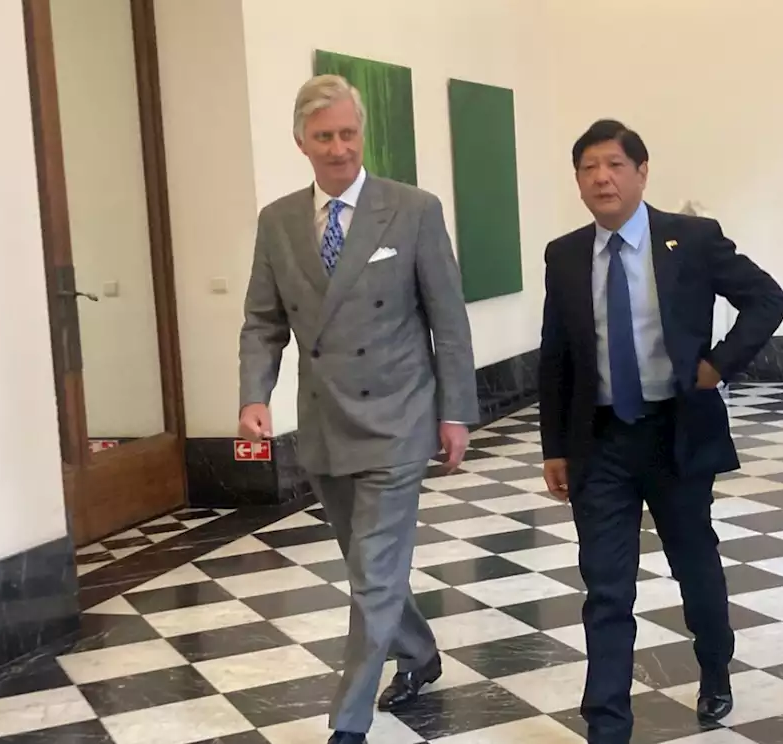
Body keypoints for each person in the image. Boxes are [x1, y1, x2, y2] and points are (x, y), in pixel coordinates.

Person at [236, 74, 478, 744]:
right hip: (324, 424)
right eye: (324, 137)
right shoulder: (279, 221)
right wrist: (254, 394)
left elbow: (448, 321)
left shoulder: (413, 210)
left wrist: (455, 412)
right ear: (300, 142)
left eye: (348, 133)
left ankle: (348, 724)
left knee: (373, 572)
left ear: (361, 133)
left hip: (399, 417)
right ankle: (421, 654)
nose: (338, 148)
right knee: (367, 566)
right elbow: (262, 320)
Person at [537, 119, 783, 743]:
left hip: (676, 433)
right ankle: (607, 725)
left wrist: (718, 365)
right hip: (600, 441)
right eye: (590, 167)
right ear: (577, 180)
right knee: (605, 585)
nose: (603, 177)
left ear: (642, 173)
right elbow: (555, 356)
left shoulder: (691, 240)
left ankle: (714, 667)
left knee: (695, 566)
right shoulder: (564, 254)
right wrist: (553, 449)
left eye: (616, 165)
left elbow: (768, 299)